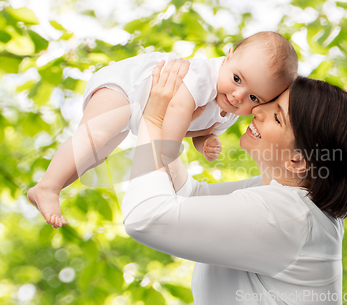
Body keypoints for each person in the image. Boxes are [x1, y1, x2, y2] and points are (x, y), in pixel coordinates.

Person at [122, 60, 347, 304]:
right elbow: (191, 196)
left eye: (277, 116)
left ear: (297, 161)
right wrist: (171, 128)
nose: (257, 109)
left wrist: (154, 118)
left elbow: (143, 217)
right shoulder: (285, 198)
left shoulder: (290, 217)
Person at [26, 31, 298, 228]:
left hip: (138, 115)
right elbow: (178, 110)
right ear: (227, 57)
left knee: (95, 154)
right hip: (126, 87)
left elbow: (197, 128)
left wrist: (205, 142)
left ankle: (53, 187)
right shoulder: (203, 77)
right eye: (237, 79)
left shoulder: (228, 109)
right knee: (93, 136)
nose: (239, 96)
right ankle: (48, 186)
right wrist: (166, 158)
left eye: (254, 98)